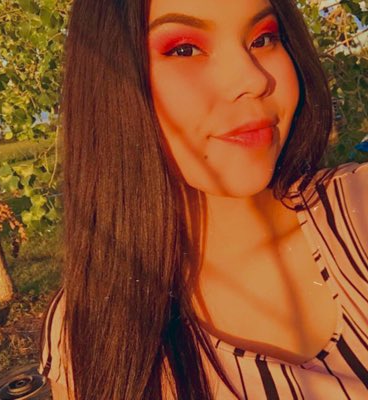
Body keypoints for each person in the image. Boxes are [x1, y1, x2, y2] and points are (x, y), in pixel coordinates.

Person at [38, 0, 368, 398]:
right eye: (184, 49)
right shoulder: (85, 330)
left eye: (264, 39)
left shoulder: (359, 208)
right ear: (109, 84)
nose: (252, 79)